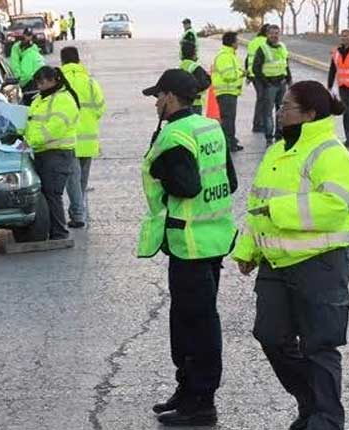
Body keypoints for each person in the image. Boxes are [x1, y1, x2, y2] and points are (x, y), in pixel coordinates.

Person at [232, 81, 349, 430]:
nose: (279, 110)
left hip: (320, 263)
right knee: (270, 336)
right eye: (281, 105)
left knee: (319, 347)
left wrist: (279, 211)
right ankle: (311, 404)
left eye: (287, 106)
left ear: (310, 114)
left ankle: (326, 420)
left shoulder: (331, 153)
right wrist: (249, 249)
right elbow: (257, 203)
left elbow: (335, 206)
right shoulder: (278, 152)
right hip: (275, 263)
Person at [139, 69, 238, 427]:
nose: (155, 102)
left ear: (169, 96)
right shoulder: (210, 127)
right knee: (190, 321)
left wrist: (162, 176)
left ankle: (201, 402)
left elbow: (187, 186)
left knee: (195, 325)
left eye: (157, 96)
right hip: (213, 240)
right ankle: (187, 391)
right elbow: (232, 181)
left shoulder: (175, 136)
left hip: (190, 243)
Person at [20, 66, 80, 240]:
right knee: (46, 193)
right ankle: (52, 231)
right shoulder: (40, 99)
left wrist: (30, 142)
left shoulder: (63, 100)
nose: (38, 85)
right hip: (42, 152)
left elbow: (53, 129)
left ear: (53, 80)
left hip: (57, 153)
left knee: (53, 194)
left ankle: (59, 232)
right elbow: (31, 124)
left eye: (42, 81)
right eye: (37, 82)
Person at [61, 46, 106, 228]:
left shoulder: (60, 81)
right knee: (81, 179)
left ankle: (78, 215)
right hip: (89, 137)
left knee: (72, 178)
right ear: (79, 61)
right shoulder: (89, 81)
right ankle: (78, 211)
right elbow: (101, 107)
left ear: (62, 61)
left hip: (68, 137)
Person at [253, 25, 292, 146]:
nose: (274, 36)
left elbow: (285, 64)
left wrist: (289, 79)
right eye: (272, 34)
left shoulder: (282, 47)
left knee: (281, 111)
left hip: (282, 83)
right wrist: (266, 82)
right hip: (270, 85)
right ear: (267, 35)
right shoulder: (262, 49)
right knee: (268, 113)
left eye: (276, 33)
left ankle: (279, 135)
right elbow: (256, 68)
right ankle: (269, 138)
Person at [212, 31, 245, 152]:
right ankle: (228, 144)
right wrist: (242, 73)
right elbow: (228, 75)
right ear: (232, 42)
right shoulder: (225, 56)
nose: (238, 43)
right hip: (226, 92)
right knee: (228, 119)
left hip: (230, 92)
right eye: (237, 40)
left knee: (229, 119)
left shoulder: (230, 55)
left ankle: (231, 141)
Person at [9, 28, 46, 105]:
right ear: (23, 35)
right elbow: (14, 62)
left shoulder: (34, 48)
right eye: (27, 35)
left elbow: (38, 63)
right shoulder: (17, 47)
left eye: (30, 36)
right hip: (25, 80)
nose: (28, 38)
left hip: (35, 80)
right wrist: (18, 76)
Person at [245, 24, 270, 133]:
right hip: (261, 75)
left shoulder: (253, 41)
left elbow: (248, 58)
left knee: (261, 98)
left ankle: (259, 123)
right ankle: (259, 124)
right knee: (263, 99)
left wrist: (248, 75)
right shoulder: (265, 43)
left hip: (253, 74)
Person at [179, 41, 211, 115]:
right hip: (195, 103)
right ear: (194, 54)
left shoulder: (180, 66)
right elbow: (204, 84)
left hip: (182, 103)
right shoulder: (195, 67)